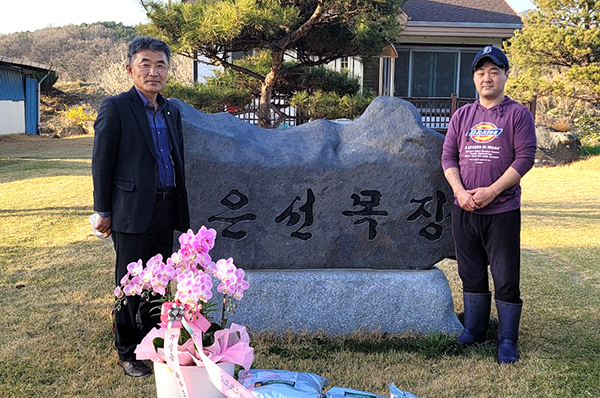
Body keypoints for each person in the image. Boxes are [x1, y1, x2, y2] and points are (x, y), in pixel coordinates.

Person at [92, 36, 190, 377]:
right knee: (129, 282)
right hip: (131, 211)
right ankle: (127, 350)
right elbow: (102, 162)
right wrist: (103, 210)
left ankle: (154, 342)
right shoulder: (116, 107)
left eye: (160, 65)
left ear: (168, 71)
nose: (153, 72)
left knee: (160, 281)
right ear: (130, 69)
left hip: (166, 208)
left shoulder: (171, 110)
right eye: (145, 64)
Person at [441, 45, 537, 364]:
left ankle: (507, 340)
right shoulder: (462, 116)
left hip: (502, 211)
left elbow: (525, 158)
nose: (487, 77)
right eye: (481, 72)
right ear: (474, 78)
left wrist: (492, 191)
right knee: (471, 273)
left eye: (494, 71)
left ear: (505, 76)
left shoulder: (518, 115)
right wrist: (461, 192)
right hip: (464, 209)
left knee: (506, 277)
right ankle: (475, 330)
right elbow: (448, 156)